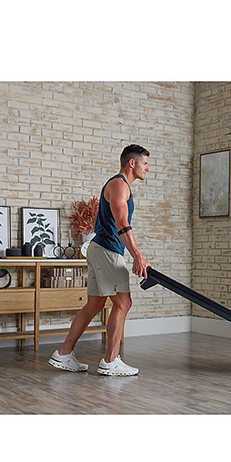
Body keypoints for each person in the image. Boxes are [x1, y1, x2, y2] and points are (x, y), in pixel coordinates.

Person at [48, 144, 152, 376]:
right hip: (107, 250)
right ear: (132, 163)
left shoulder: (120, 186)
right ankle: (110, 361)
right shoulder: (119, 185)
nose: (147, 168)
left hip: (100, 249)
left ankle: (63, 354)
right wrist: (139, 258)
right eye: (145, 163)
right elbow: (122, 223)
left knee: (94, 304)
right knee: (123, 303)